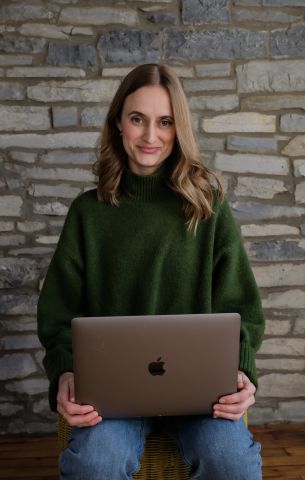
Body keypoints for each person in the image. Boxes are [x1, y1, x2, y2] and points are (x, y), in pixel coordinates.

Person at [37, 63, 264, 480]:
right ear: (118, 123)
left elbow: (243, 308)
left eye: (165, 122)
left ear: (179, 131)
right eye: (137, 119)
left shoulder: (208, 207)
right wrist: (65, 370)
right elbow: (57, 314)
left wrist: (242, 371)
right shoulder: (88, 213)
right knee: (94, 464)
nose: (149, 136)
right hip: (110, 399)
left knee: (232, 462)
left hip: (202, 396)